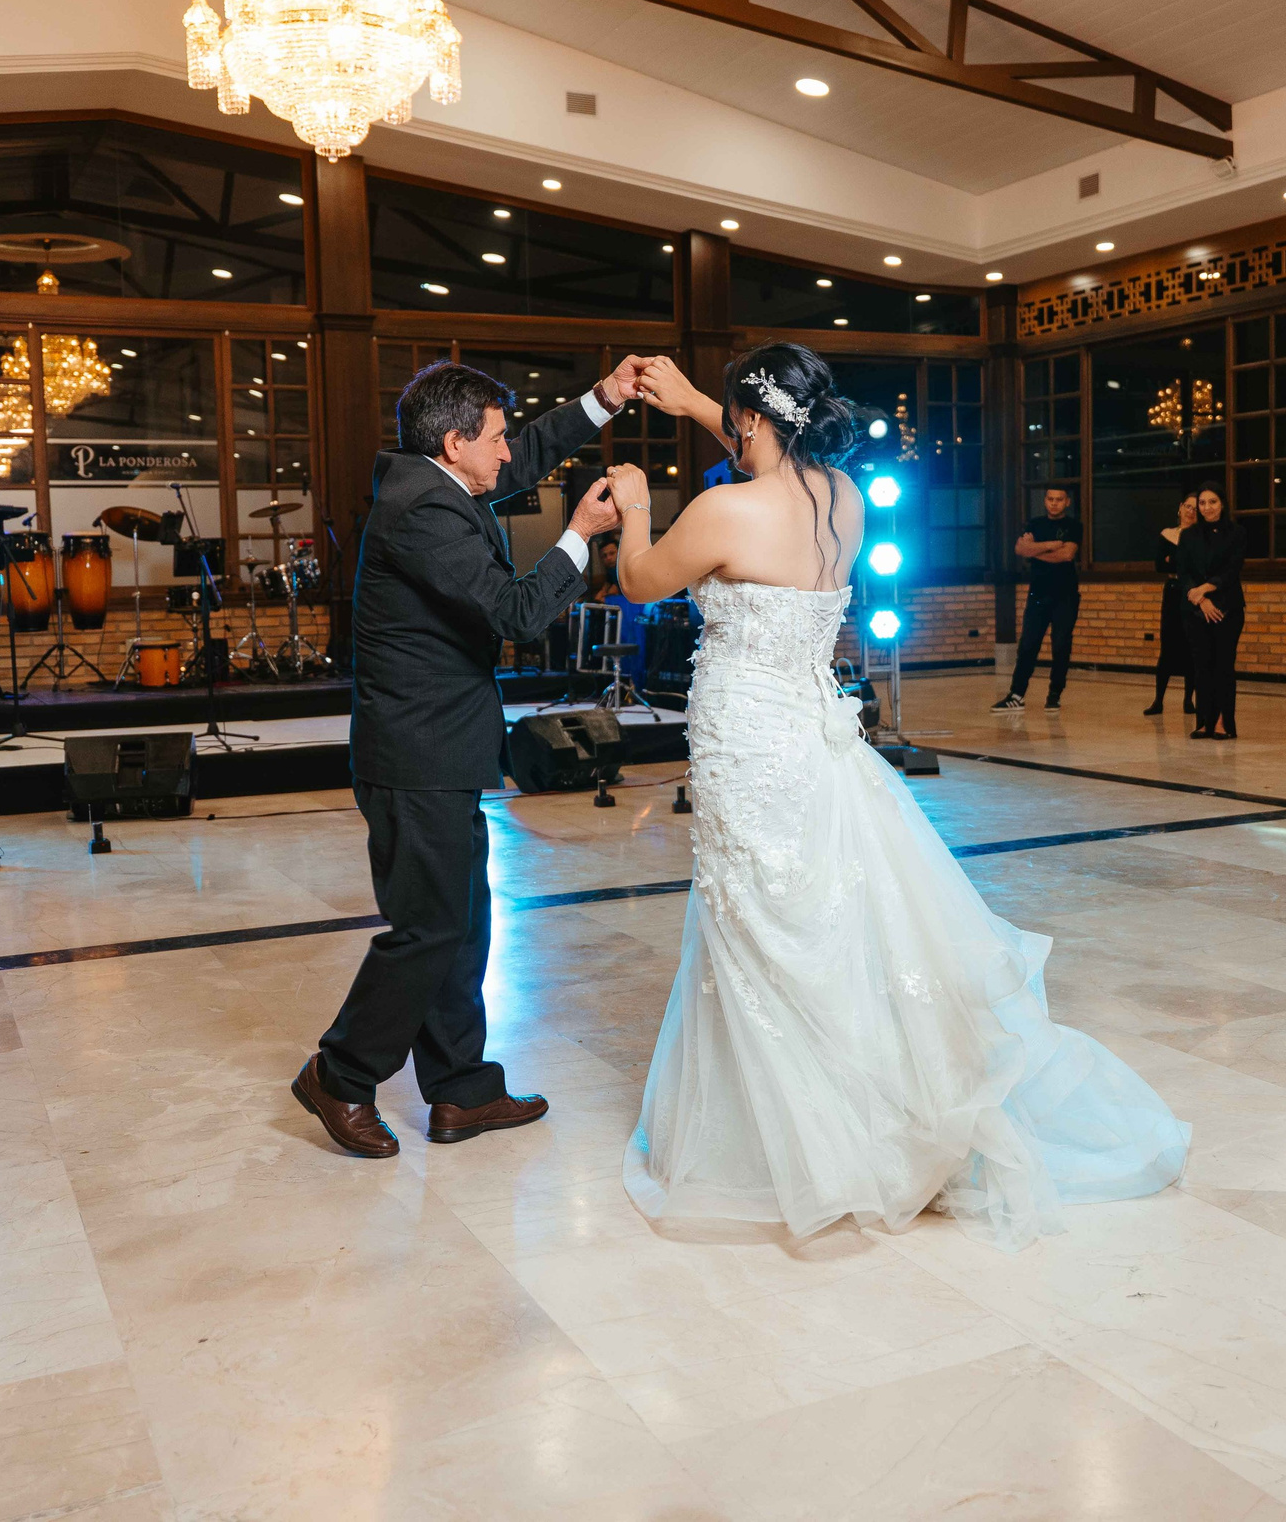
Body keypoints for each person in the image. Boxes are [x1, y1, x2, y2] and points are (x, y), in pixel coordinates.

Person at [602, 344, 1189, 1250]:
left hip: (747, 744)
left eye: (731, 416)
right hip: (817, 737)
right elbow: (775, 461)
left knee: (757, 923)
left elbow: (638, 582)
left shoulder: (720, 509)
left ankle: (791, 1147)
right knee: (823, 919)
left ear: (751, 419)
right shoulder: (843, 496)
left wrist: (636, 506)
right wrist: (693, 403)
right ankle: (867, 1110)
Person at [291, 357, 637, 1159]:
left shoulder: (439, 482)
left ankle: (460, 1092)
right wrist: (581, 536)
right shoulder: (422, 512)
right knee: (429, 928)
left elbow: (536, 444)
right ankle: (338, 1074)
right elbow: (517, 611)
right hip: (416, 755)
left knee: (465, 924)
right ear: (454, 442)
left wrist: (605, 397)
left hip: (441, 748)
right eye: (495, 437)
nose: (509, 452)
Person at [991, 487, 1083, 712]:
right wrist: (1050, 545)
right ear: (1045, 501)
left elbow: (1067, 555)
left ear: (1067, 502)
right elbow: (1020, 549)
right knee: (1028, 645)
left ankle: (1054, 694)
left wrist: (1035, 551)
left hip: (1066, 595)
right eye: (1050, 499)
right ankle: (1016, 694)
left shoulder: (1073, 526)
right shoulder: (1035, 524)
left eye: (1059, 500)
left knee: (1061, 645)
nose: (1054, 503)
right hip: (1038, 594)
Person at [1178, 485, 1246, 741]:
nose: (1207, 507)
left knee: (1223, 666)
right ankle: (1204, 721)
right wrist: (1200, 599)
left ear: (1223, 504)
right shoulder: (1188, 535)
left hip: (1228, 607)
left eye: (1212, 502)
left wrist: (1206, 589)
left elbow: (1233, 569)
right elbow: (1183, 572)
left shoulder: (1237, 532)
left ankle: (1223, 722)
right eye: (1202, 503)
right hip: (1196, 609)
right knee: (1201, 666)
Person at [1144, 491, 1199, 718]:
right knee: (1167, 645)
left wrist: (1174, 560)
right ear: (1180, 508)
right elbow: (1160, 565)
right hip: (1173, 592)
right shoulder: (1167, 534)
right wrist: (1178, 563)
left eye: (1196, 508)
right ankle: (1158, 700)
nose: (1191, 511)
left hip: (1193, 593)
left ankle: (1188, 700)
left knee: (1192, 645)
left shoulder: (1200, 536)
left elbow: (1195, 567)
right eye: (1188, 506)